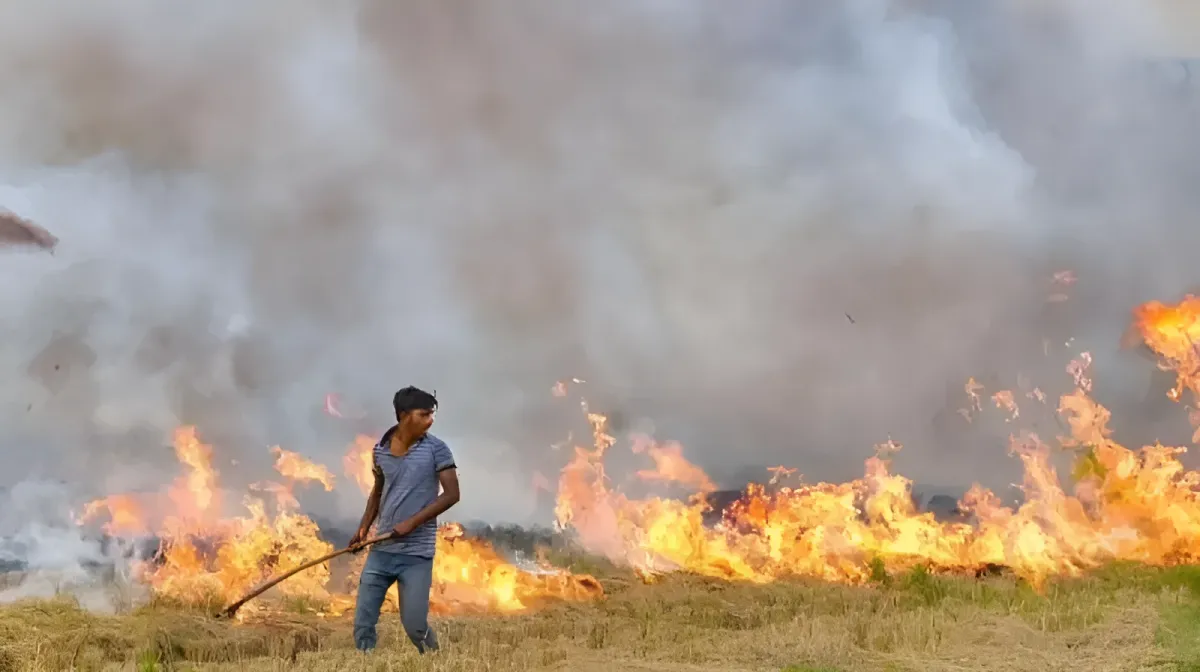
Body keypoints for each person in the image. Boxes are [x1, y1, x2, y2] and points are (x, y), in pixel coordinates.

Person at [348, 386, 460, 653]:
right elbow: (377, 493)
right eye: (424, 414)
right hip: (381, 551)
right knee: (363, 624)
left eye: (431, 414)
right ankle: (365, 663)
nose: (430, 420)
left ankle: (436, 662)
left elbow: (452, 494)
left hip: (416, 555)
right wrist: (363, 529)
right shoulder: (380, 451)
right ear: (403, 415)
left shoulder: (437, 450)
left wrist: (412, 523)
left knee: (415, 627)